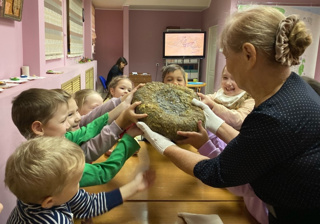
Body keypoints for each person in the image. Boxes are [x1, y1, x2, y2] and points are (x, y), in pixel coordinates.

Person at [137, 6, 320, 224]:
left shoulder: (275, 116)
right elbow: (252, 147)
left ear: (248, 54)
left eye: (227, 56)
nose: (227, 67)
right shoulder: (295, 89)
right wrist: (215, 123)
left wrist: (165, 145)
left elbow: (217, 172)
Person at [11, 88, 147, 187]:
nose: (68, 125)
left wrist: (122, 106)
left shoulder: (57, 139)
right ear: (39, 128)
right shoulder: (52, 162)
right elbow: (102, 173)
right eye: (64, 120)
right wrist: (128, 137)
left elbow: (88, 129)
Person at [5, 136, 155, 223]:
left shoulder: (41, 194)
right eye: (77, 182)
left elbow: (90, 205)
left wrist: (136, 186)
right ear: (49, 202)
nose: (81, 185)